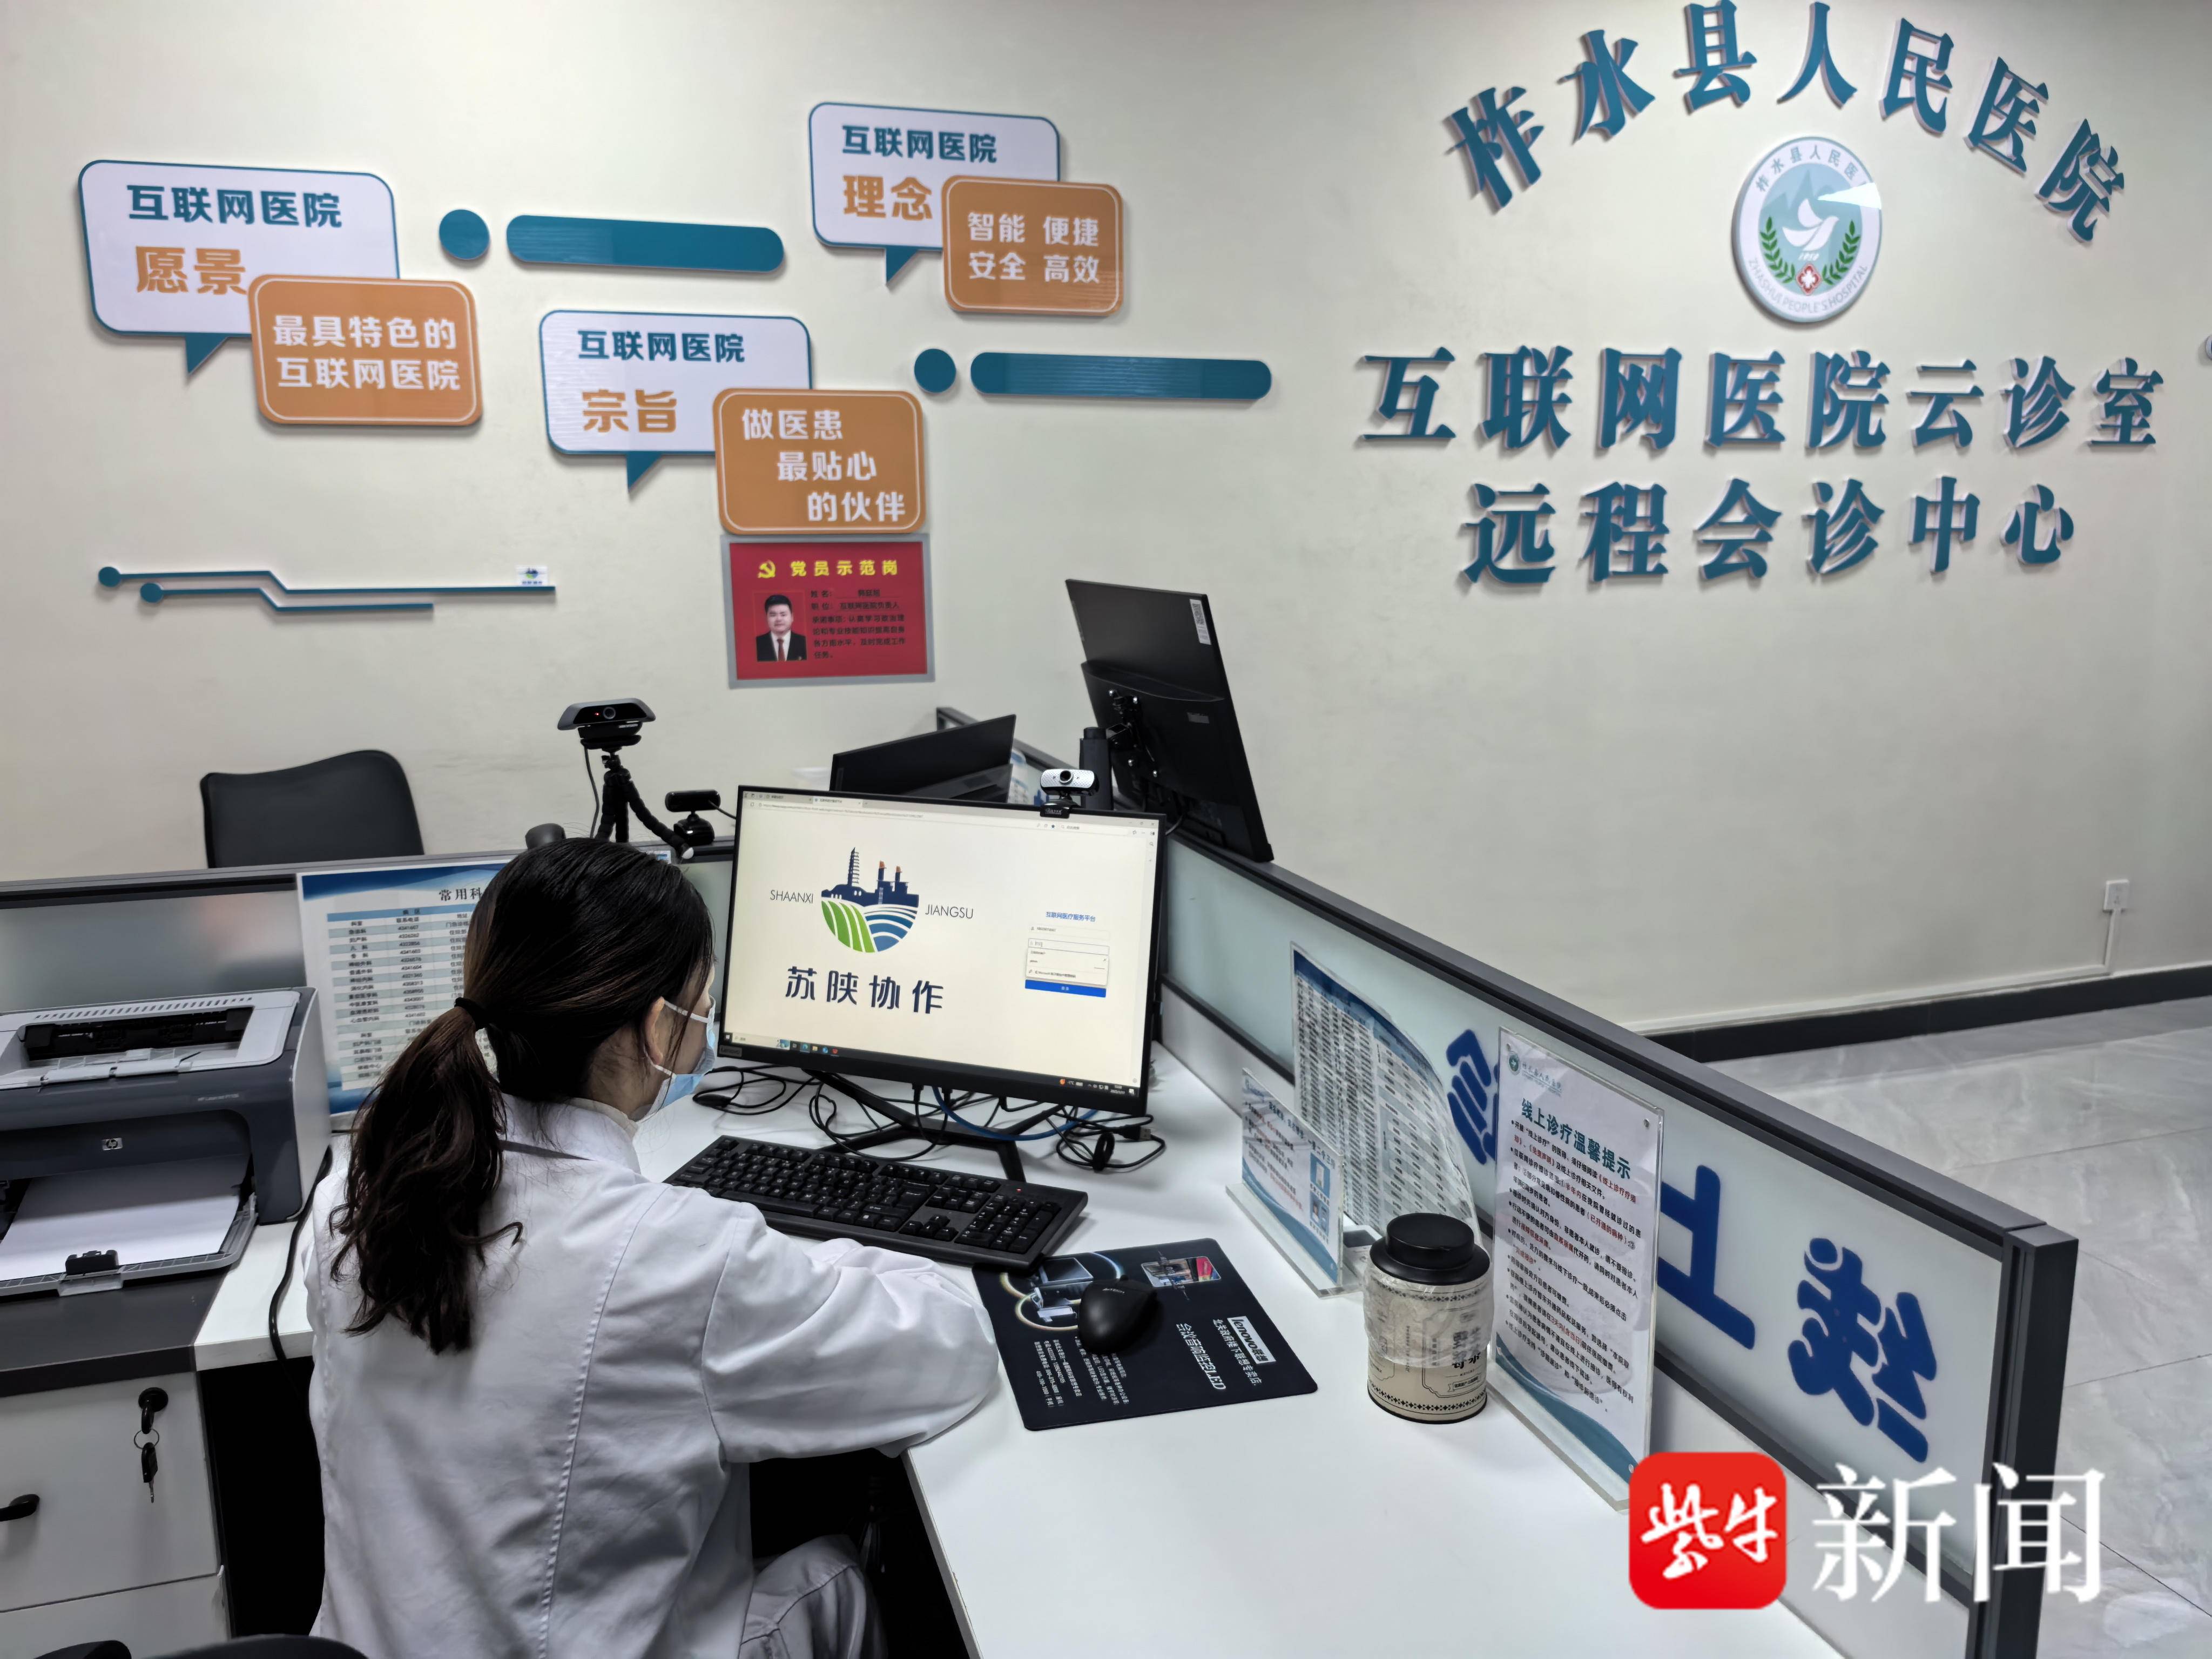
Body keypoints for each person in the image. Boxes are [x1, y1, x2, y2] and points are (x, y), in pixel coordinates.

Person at [307, 839, 996, 1659]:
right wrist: (824, 1258)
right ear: (663, 1028)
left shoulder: (357, 1196)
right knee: (839, 1579)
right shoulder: (670, 1256)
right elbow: (947, 1356)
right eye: (703, 1002)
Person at [756, 594, 806, 662]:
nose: (779, 619)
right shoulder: (757, 644)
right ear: (767, 618)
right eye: (773, 615)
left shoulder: (805, 643)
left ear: (792, 617)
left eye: (783, 615)